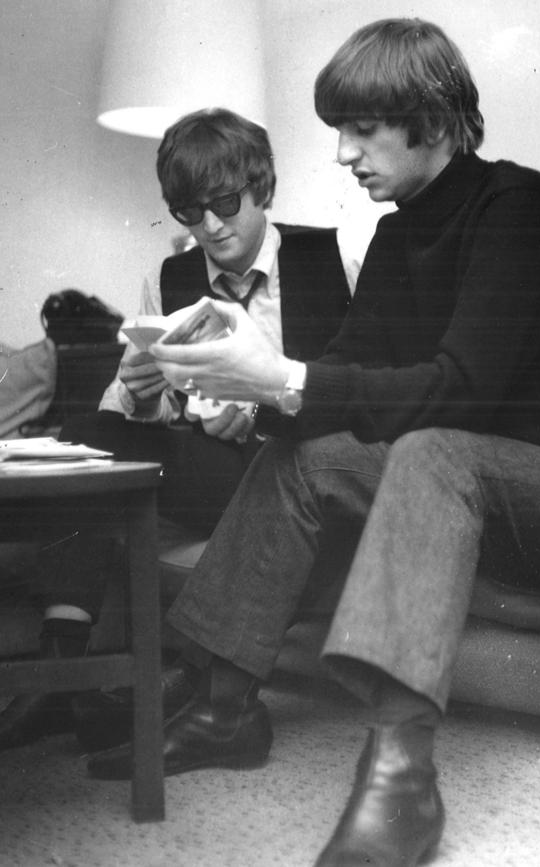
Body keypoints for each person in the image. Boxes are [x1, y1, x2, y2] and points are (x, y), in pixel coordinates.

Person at [86, 18, 540, 867]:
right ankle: (223, 704)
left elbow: (459, 391)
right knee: (305, 455)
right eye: (339, 132)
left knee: (433, 444)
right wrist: (250, 375)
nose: (344, 155)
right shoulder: (395, 237)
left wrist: (286, 380)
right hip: (482, 493)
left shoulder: (518, 208)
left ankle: (400, 774)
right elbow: (337, 376)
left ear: (428, 117)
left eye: (361, 130)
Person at [0, 107, 361, 754]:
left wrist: (259, 410)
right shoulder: (174, 277)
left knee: (127, 441)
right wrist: (142, 397)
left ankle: (73, 686)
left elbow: (358, 396)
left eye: (225, 203)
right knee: (90, 430)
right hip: (209, 469)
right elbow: (143, 405)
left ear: (263, 187)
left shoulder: (331, 260)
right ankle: (60, 671)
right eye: (191, 213)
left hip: (292, 473)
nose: (212, 227)